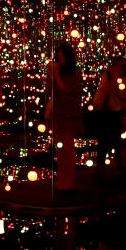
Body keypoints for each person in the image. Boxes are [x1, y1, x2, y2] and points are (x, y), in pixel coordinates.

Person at [44, 42, 83, 191]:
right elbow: (50, 92)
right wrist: (51, 77)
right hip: (58, 113)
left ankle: (70, 178)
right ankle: (62, 176)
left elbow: (67, 92)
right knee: (60, 148)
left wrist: (56, 76)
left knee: (68, 147)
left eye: (61, 56)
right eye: (57, 56)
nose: (59, 59)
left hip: (70, 114)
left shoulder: (75, 72)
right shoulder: (57, 71)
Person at [91, 56, 126, 172]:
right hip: (107, 111)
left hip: (117, 111)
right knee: (106, 138)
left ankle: (118, 163)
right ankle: (104, 164)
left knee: (115, 139)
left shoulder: (124, 77)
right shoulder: (108, 75)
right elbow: (104, 91)